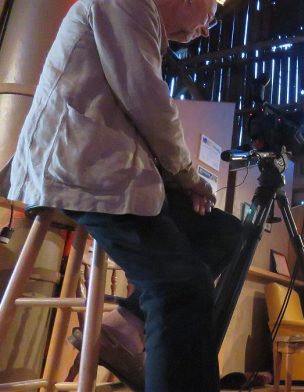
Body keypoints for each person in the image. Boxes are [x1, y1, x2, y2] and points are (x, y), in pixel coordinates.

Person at [8, 0, 240, 391]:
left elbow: (139, 112)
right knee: (182, 286)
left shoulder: (141, 18)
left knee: (223, 232)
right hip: (78, 165)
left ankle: (124, 324)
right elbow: (147, 100)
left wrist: (183, 184)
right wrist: (186, 176)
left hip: (106, 167)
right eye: (210, 16)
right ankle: (132, 327)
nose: (205, 30)